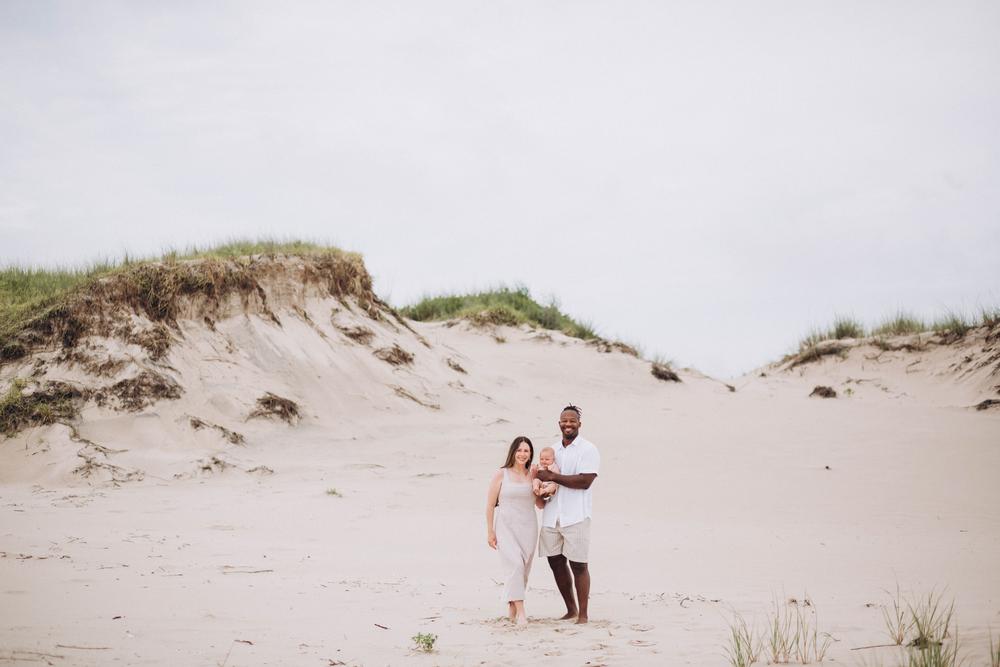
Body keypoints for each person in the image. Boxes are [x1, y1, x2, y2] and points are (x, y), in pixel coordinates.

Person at [534, 405, 600, 624]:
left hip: (576, 516)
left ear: (579, 424)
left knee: (579, 565)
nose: (568, 424)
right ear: (559, 424)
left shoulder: (588, 449)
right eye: (564, 421)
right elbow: (542, 477)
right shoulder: (552, 451)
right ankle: (570, 610)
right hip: (552, 516)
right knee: (555, 563)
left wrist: (552, 476)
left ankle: (583, 615)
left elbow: (584, 481)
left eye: (572, 420)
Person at [485, 435, 545, 625]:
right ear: (513, 452)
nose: (522, 454)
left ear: (530, 454)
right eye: (519, 450)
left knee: (522, 571)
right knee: (515, 567)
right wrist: (490, 532)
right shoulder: (501, 474)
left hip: (528, 527)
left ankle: (511, 612)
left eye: (526, 451)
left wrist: (545, 490)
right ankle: (522, 614)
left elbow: (540, 505)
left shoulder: (534, 474)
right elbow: (489, 505)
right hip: (505, 527)